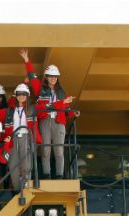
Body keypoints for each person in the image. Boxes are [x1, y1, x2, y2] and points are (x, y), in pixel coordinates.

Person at [20, 49, 78, 179]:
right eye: (51, 76)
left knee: (59, 151)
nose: (53, 78)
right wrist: (26, 60)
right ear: (46, 77)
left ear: (57, 78)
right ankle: (46, 175)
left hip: (59, 123)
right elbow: (32, 76)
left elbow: (67, 111)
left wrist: (73, 113)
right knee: (45, 150)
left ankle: (59, 175)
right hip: (45, 121)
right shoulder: (40, 90)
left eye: (55, 76)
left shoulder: (62, 93)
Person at [3, 83, 40, 191]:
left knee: (26, 164)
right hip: (13, 138)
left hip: (26, 137)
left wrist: (62, 103)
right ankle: (16, 190)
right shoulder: (10, 110)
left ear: (27, 95)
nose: (21, 96)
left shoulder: (32, 108)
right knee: (13, 165)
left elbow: (47, 106)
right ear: (16, 95)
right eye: (19, 94)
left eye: (24, 94)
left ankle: (26, 188)